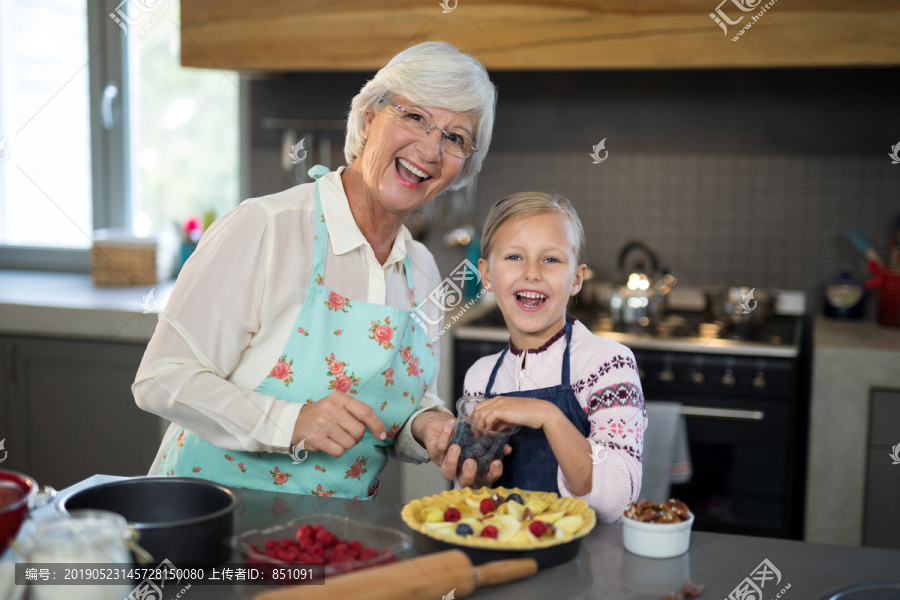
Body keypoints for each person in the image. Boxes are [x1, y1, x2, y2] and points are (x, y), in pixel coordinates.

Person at [133, 41, 499, 499]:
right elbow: (162, 378)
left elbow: (399, 408)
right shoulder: (268, 227)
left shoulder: (422, 270)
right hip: (211, 523)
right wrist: (291, 422)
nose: (430, 148)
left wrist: (431, 426)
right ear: (369, 119)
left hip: (335, 540)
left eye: (455, 137)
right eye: (415, 116)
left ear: (463, 167)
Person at [460, 192, 646, 522]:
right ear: (486, 275)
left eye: (551, 260)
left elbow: (618, 501)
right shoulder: (480, 377)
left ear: (576, 279)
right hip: (506, 558)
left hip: (585, 564)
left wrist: (548, 415)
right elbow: (473, 500)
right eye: (514, 256)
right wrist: (476, 483)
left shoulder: (608, 364)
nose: (532, 273)